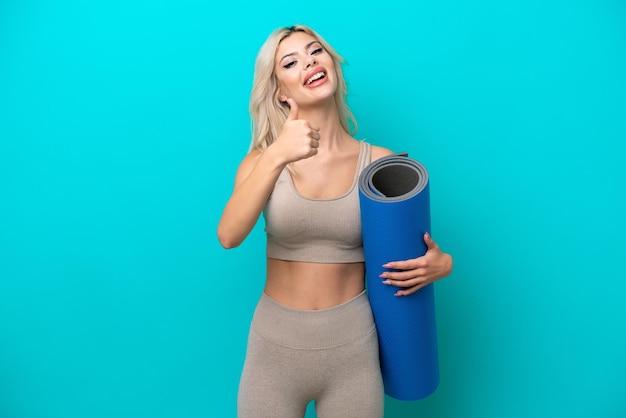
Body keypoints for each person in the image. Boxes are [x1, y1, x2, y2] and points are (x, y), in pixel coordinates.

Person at [217, 24, 453, 418]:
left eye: (316, 52)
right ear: (280, 90)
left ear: (332, 65)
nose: (309, 62)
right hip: (274, 349)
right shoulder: (263, 161)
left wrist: (443, 264)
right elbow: (228, 235)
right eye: (291, 62)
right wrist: (278, 154)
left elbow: (418, 249)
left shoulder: (380, 163)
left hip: (352, 350)